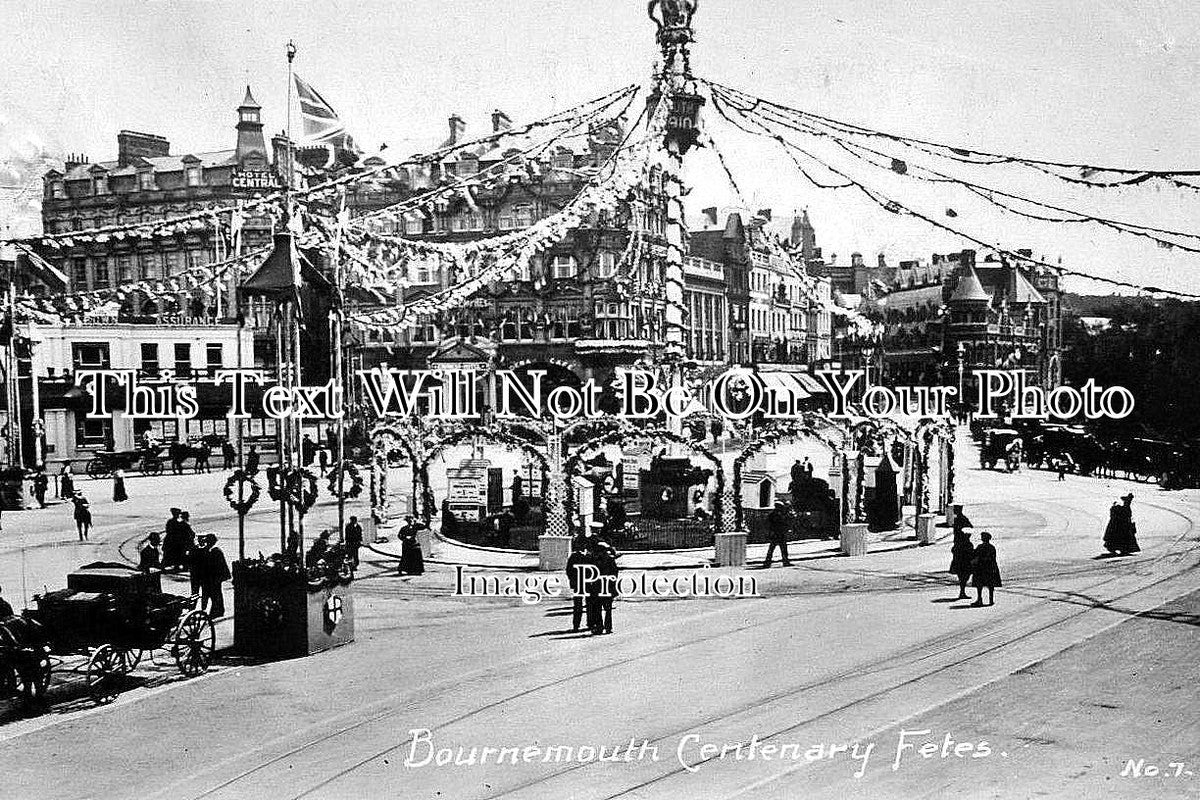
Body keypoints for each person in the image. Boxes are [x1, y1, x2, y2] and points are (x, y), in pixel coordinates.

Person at [192, 533, 230, 618]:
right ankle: (209, 611)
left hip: (214, 578)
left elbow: (221, 566)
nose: (207, 543)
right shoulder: (206, 550)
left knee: (216, 595)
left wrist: (220, 577)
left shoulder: (216, 551)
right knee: (209, 595)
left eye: (209, 541)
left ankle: (217, 611)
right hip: (208, 578)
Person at [593, 541, 619, 634]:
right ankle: (608, 627)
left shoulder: (594, 560)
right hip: (607, 588)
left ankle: (600, 627)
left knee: (598, 609)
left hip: (598, 588)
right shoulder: (610, 560)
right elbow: (615, 574)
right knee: (607, 609)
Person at [565, 541, 591, 632]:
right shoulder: (589, 556)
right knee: (589, 605)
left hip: (578, 584)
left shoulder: (574, 556)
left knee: (578, 606)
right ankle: (589, 623)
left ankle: (576, 625)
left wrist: (573, 581)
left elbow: (569, 570)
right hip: (588, 583)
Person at [970, 531, 1002, 607]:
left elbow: (974, 555)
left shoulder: (980, 547)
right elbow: (993, 558)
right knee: (990, 584)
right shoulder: (992, 547)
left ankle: (979, 599)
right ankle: (991, 600)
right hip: (990, 567)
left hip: (981, 568)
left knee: (979, 584)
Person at [762, 502, 793, 568]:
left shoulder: (776, 514)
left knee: (780, 549)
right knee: (775, 549)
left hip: (779, 533)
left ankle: (769, 562)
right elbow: (772, 524)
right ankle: (769, 562)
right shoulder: (775, 514)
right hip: (777, 533)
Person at [949, 528, 975, 600]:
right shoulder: (968, 544)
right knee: (965, 578)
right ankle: (962, 592)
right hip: (965, 563)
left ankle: (962, 592)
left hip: (958, 563)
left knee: (961, 578)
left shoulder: (958, 543)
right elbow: (971, 553)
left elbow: (953, 550)